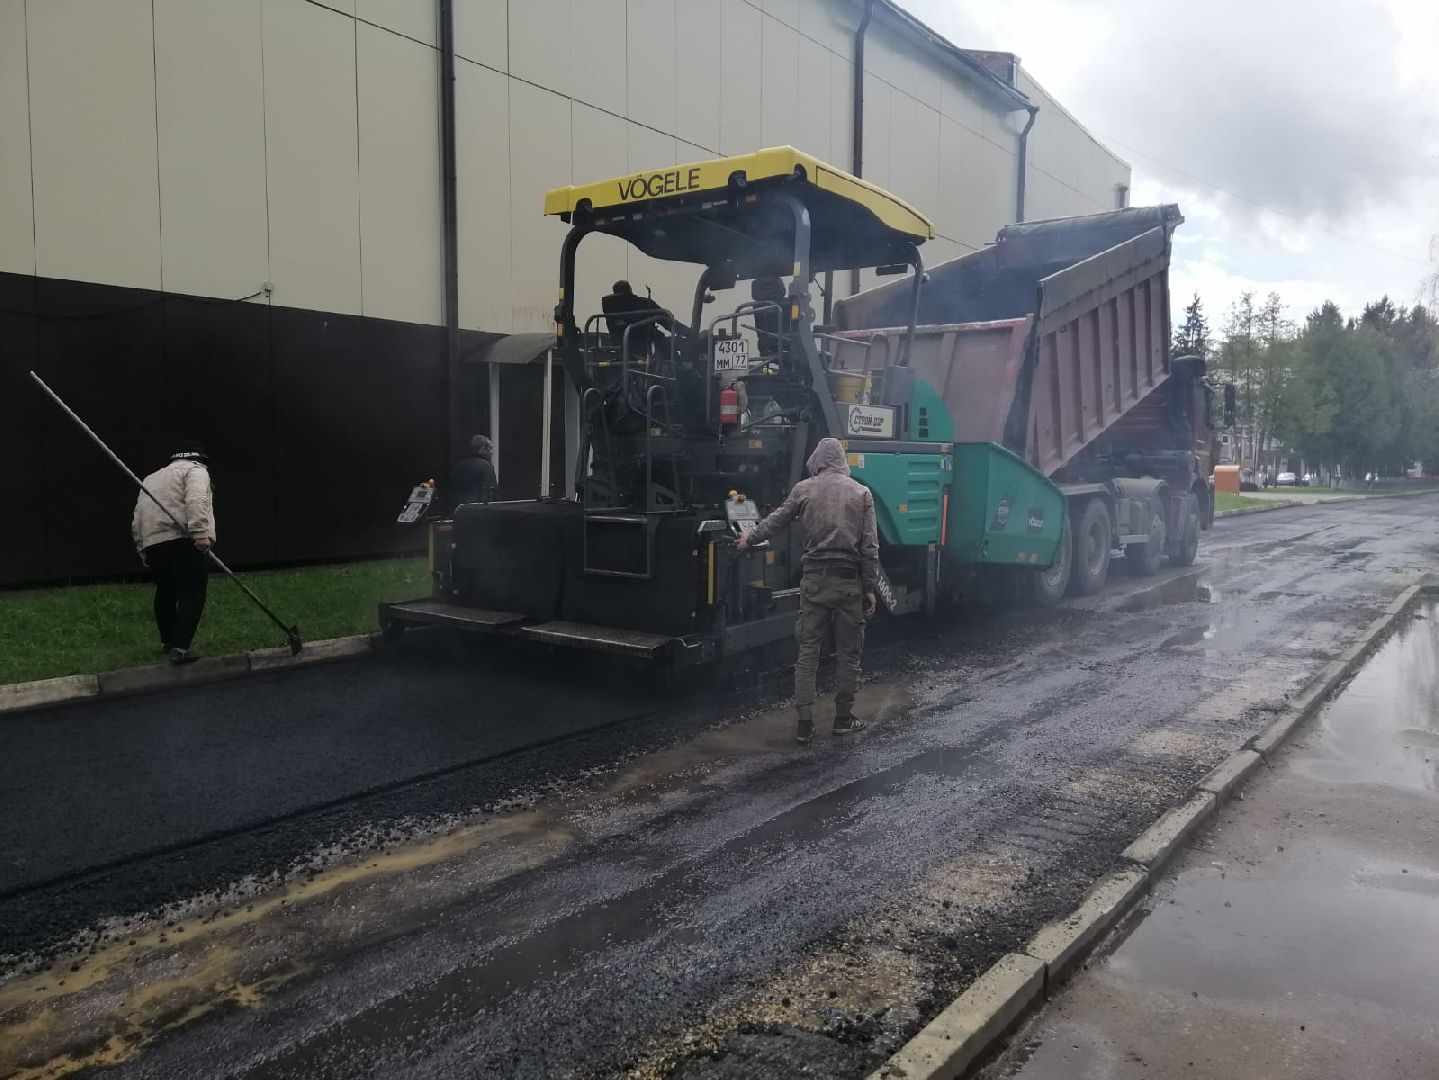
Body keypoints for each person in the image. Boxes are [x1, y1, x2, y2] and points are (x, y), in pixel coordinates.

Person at [737, 437, 879, 744]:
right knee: (848, 655)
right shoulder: (861, 493)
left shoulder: (804, 489)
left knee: (807, 654)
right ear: (842, 460)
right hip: (848, 584)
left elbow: (776, 521)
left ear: (817, 459)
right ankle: (843, 719)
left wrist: (749, 538)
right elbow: (870, 547)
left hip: (814, 581)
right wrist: (869, 587)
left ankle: (804, 724)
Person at [131, 441, 216, 665]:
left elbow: (138, 515)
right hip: (182, 540)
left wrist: (143, 549)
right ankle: (180, 649)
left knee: (166, 592)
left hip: (153, 543)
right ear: (199, 459)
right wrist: (200, 532)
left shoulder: (151, 478)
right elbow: (197, 499)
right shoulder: (195, 470)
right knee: (193, 593)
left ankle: (168, 643)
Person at [451, 434, 498, 510]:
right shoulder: (486, 466)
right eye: (490, 448)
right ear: (482, 449)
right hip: (479, 514)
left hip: (459, 514)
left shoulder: (459, 466)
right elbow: (492, 496)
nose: (492, 452)